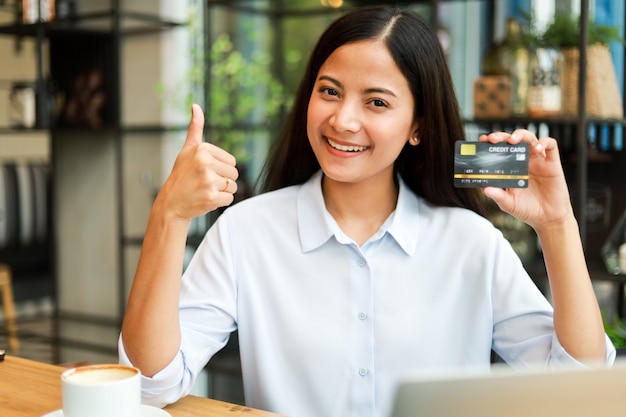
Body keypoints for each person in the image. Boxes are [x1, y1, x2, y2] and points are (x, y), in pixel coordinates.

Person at [119, 5, 615, 417]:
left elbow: (579, 390)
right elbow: (151, 385)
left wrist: (557, 225)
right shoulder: (247, 231)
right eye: (329, 91)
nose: (343, 119)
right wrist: (169, 215)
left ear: (418, 125)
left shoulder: (471, 242)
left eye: (376, 102)